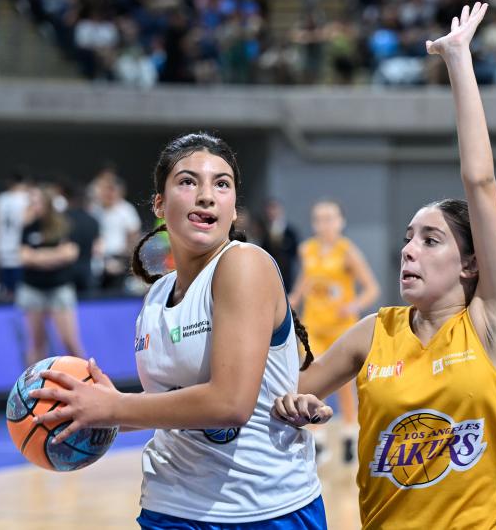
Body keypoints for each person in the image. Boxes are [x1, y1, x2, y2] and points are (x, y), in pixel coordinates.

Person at [273, 3, 496, 529]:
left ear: (470, 264)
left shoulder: (492, 324)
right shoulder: (373, 334)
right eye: (408, 238)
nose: (409, 249)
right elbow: (288, 396)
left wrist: (458, 60)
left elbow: (479, 181)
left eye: (431, 240)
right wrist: (295, 408)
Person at [29, 133, 326, 529]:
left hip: (263, 511)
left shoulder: (244, 265)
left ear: (234, 209)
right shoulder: (157, 294)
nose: (206, 195)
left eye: (222, 184)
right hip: (169, 506)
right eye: (188, 182)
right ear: (159, 204)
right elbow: (169, 405)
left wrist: (116, 408)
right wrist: (92, 411)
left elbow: (230, 405)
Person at [288, 199, 380, 464]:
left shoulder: (347, 251)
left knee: (344, 386)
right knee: (313, 381)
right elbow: (306, 279)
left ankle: (350, 434)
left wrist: (354, 305)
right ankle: (318, 439)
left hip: (341, 328)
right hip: (313, 326)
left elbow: (372, 287)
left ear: (340, 222)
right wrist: (295, 295)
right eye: (320, 218)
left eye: (330, 218)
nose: (325, 223)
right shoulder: (307, 249)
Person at [17, 186, 85, 365]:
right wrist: (55, 255)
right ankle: (33, 390)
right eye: (32, 202)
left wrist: (37, 257)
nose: (34, 206)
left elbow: (70, 253)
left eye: (37, 202)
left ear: (47, 204)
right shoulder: (28, 227)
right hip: (33, 289)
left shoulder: (64, 225)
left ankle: (90, 384)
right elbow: (23, 257)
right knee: (36, 345)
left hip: (59, 288)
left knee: (70, 342)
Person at [0, 172, 30, 297]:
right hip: (20, 251)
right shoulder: (27, 198)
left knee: (6, 293)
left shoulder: (0, 199)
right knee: (21, 293)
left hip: (2, 248)